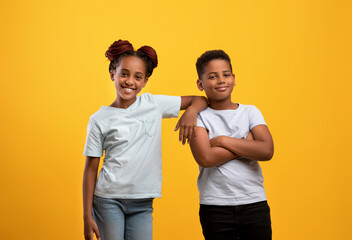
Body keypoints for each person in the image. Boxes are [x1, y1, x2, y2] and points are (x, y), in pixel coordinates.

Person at [82, 40, 207, 240]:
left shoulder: (153, 104)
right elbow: (90, 169)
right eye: (124, 73)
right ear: (113, 73)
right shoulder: (99, 119)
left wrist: (191, 113)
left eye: (137, 77)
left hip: (142, 201)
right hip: (108, 200)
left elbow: (200, 99)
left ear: (145, 81)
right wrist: (87, 215)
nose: (130, 81)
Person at [189, 50, 274, 240]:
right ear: (200, 84)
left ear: (234, 79)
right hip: (215, 206)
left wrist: (221, 141)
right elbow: (206, 158)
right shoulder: (199, 117)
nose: (221, 80)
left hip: (254, 203)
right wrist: (247, 144)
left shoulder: (250, 112)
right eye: (213, 76)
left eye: (226, 74)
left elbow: (267, 150)